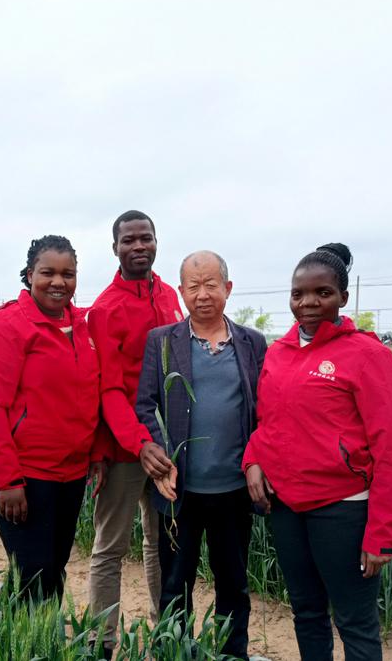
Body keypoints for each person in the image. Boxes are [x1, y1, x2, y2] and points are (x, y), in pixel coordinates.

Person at [243, 243, 392, 661]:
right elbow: (268, 422)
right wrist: (253, 460)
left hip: (343, 510)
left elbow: (390, 449)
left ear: (343, 298)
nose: (309, 303)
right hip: (286, 508)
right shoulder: (278, 353)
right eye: (299, 294)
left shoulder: (369, 355)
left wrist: (382, 534)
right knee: (307, 612)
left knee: (355, 622)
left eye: (322, 293)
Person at [136, 250, 267, 661]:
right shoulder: (162, 342)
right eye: (193, 286)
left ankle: (234, 654)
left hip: (233, 489)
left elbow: (266, 410)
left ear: (228, 289)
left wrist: (258, 460)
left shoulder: (252, 343)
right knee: (176, 585)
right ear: (181, 292)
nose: (203, 294)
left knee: (233, 584)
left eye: (211, 284)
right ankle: (177, 652)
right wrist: (157, 453)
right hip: (180, 493)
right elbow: (144, 404)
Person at [0, 235, 108, 602]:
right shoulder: (6, 326)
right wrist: (7, 479)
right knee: (32, 575)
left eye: (68, 274)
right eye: (48, 272)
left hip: (71, 474)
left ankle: (41, 644)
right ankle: (17, 644)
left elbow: (89, 395)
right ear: (30, 274)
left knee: (53, 570)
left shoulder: (82, 326)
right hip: (25, 475)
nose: (59, 282)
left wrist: (94, 453)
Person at [87, 210, 183, 657]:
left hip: (168, 447)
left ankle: (165, 634)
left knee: (161, 541)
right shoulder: (105, 309)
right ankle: (102, 643)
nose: (138, 247)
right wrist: (137, 443)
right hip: (126, 447)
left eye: (146, 238)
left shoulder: (168, 295)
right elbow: (108, 389)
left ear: (157, 242)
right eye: (129, 241)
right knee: (110, 547)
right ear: (115, 249)